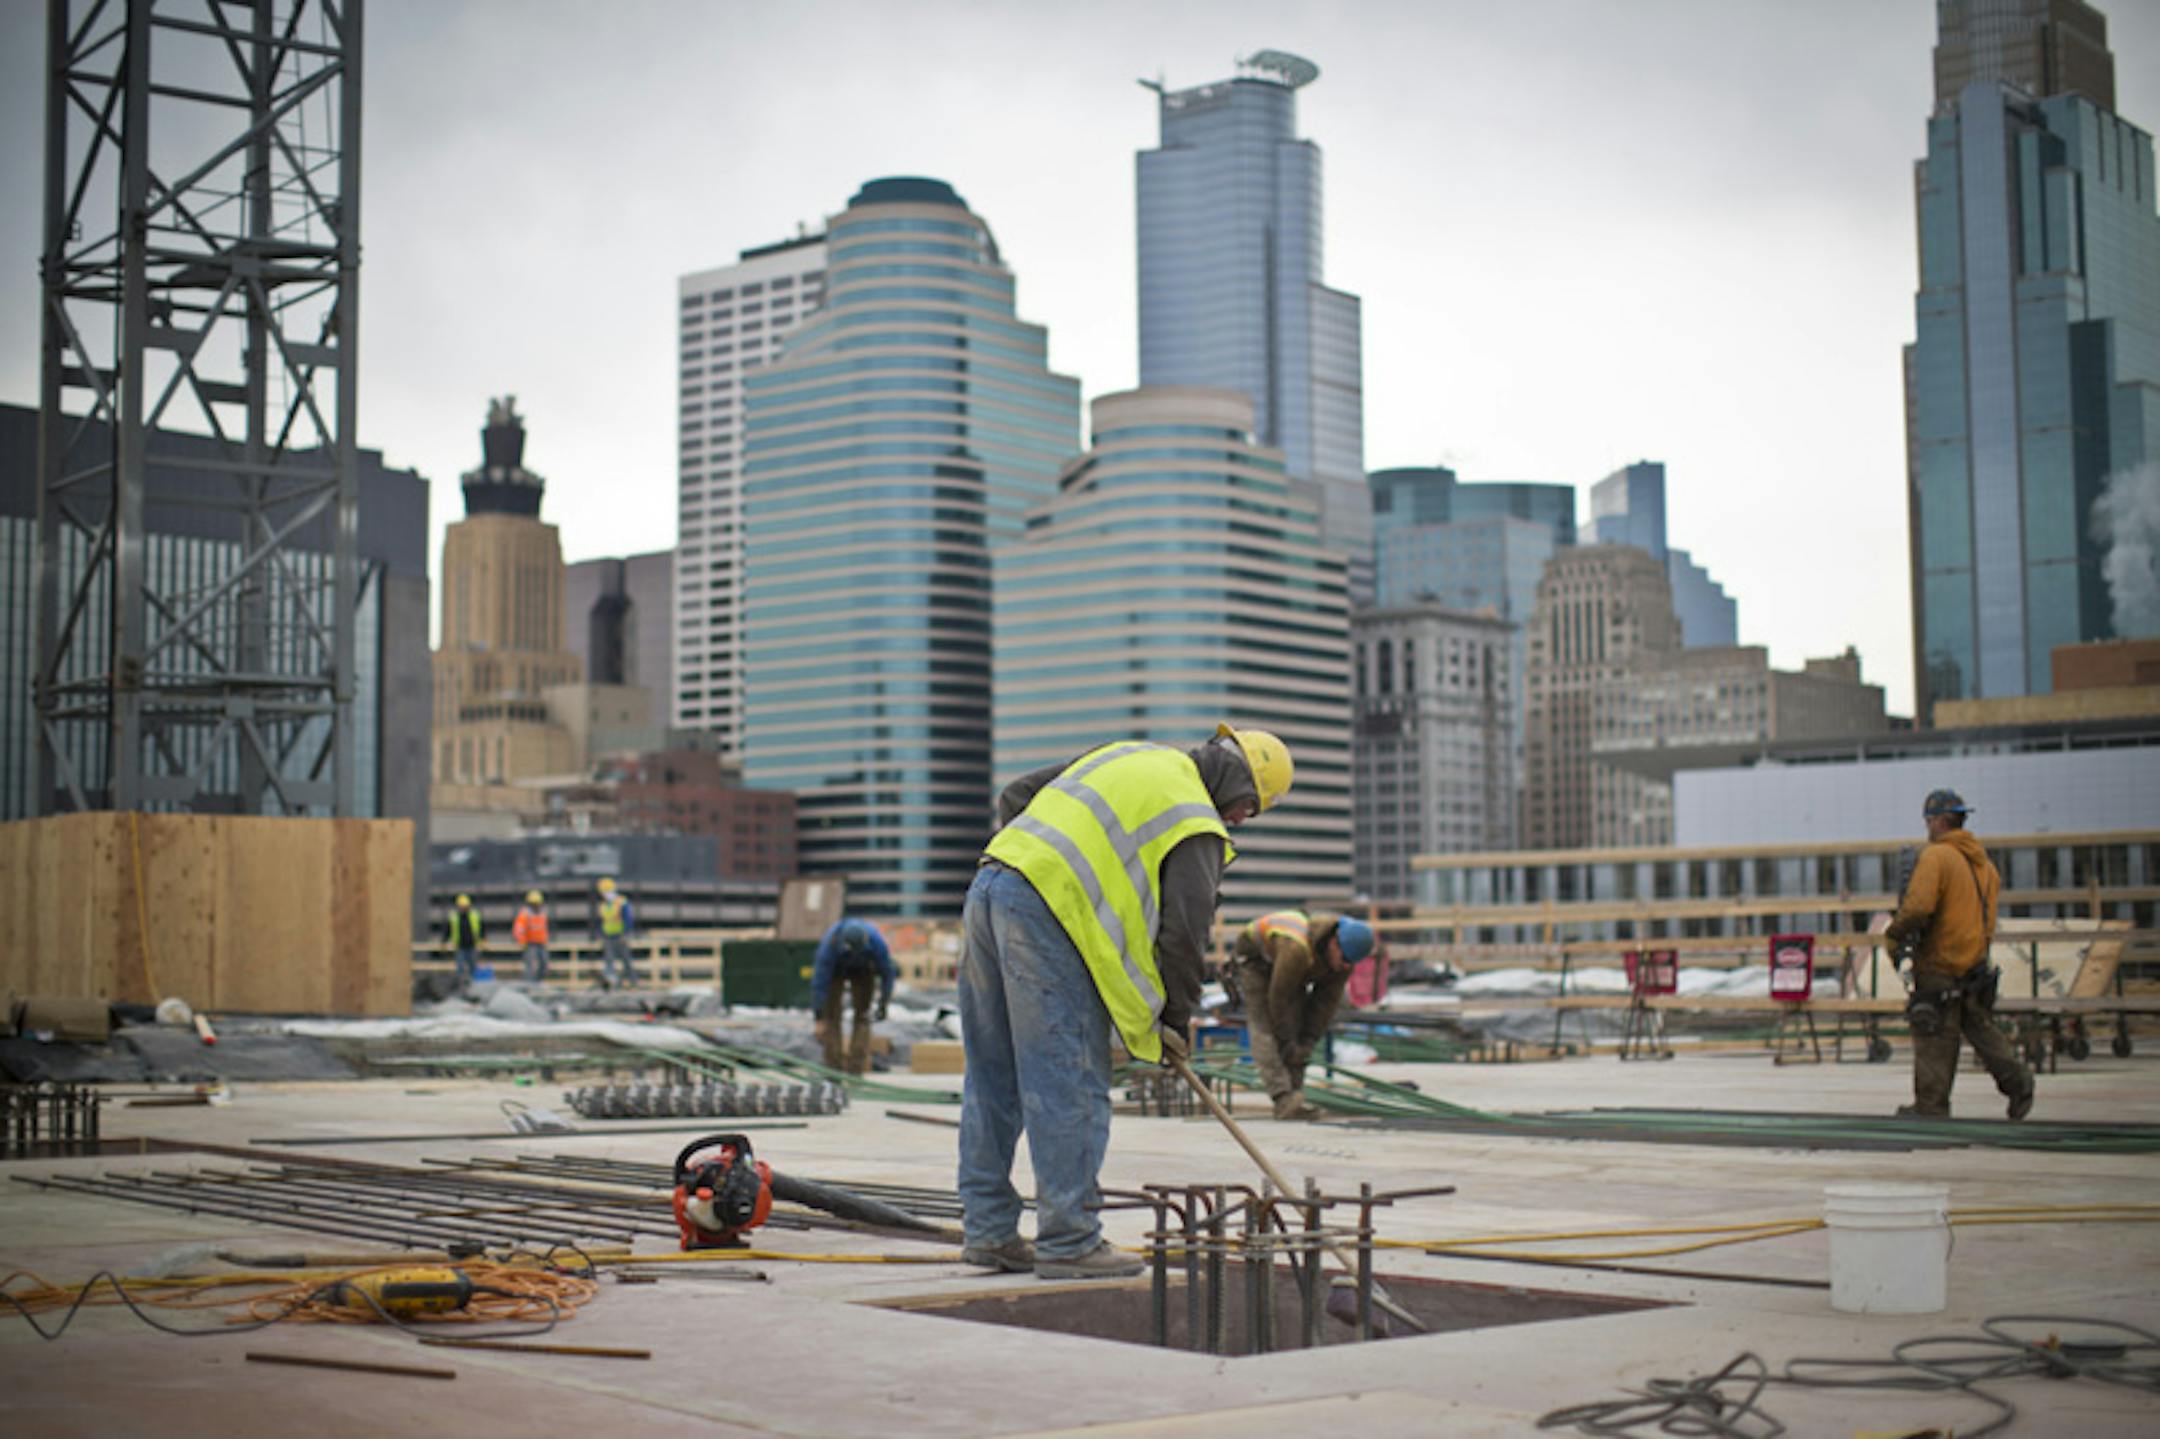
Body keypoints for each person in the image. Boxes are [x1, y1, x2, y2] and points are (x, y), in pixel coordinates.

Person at [959, 722, 1292, 1280]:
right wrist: (1174, 1019)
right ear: (1241, 786)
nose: (1240, 821)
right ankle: (1069, 1241)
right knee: (1069, 1077)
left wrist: (1035, 867)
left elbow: (1016, 795)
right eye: (1249, 809)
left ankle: (988, 1231)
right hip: (1048, 913)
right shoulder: (1195, 819)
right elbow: (1185, 935)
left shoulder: (1130, 755)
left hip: (991, 886)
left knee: (993, 1076)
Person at [1882, 790, 2034, 1120]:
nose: (1927, 827)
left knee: (1934, 1033)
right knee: (1980, 1028)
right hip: (1975, 964)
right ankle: (2019, 1081)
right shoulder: (1985, 866)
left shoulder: (1937, 857)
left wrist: (1895, 933)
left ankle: (1931, 1107)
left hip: (1941, 961)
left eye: (1928, 820)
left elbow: (1919, 907)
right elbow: (1987, 919)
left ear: (1938, 821)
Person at [1227, 910, 1375, 1120]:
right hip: (1255, 960)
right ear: (1334, 942)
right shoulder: (1296, 949)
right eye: (1344, 959)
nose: (1346, 966)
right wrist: (1289, 1043)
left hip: (1289, 965)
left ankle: (1295, 1095)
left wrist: (1308, 1041)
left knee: (1298, 1030)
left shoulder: (1342, 961)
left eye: (1351, 963)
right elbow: (1279, 1000)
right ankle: (1282, 1097)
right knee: (1264, 1026)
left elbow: (1324, 1005)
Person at [812, 918, 896, 1075]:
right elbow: (820, 982)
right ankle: (833, 1068)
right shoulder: (830, 944)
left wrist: (883, 1003)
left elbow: (887, 974)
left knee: (863, 1016)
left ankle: (855, 1068)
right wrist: (819, 1016)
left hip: (863, 969)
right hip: (836, 969)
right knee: (831, 1016)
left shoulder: (876, 943)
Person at [595, 877, 638, 990]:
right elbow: (602, 921)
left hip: (620, 935)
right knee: (609, 959)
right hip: (608, 936)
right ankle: (611, 983)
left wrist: (626, 934)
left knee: (626, 959)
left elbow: (628, 919)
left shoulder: (621, 902)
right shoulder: (604, 905)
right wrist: (601, 934)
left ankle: (632, 981)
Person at [441, 894, 485, 991]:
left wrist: (483, 939)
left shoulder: (474, 915)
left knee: (473, 968)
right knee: (460, 968)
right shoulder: (454, 917)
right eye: (461, 906)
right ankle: (461, 988)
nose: (463, 908)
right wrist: (444, 941)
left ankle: (474, 988)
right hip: (460, 946)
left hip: (472, 946)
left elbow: (482, 928)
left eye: (464, 906)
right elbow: (447, 930)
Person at [512, 890, 551, 984]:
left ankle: (537, 982)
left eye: (538, 903)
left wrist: (545, 939)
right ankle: (529, 984)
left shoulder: (543, 914)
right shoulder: (525, 914)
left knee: (544, 964)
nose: (537, 905)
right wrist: (522, 941)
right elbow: (518, 929)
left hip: (541, 943)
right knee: (530, 966)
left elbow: (544, 928)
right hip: (530, 944)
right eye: (534, 903)